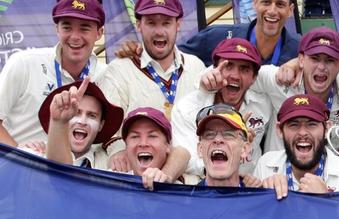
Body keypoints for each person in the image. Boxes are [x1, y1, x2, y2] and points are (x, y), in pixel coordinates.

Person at [97, 0, 202, 180]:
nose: (159, 31)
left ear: (178, 24)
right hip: (140, 177)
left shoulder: (195, 67)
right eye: (151, 23)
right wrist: (118, 150)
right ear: (138, 24)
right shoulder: (119, 70)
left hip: (189, 179)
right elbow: (107, 128)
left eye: (166, 23)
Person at [0, 0, 105, 147]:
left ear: (99, 32)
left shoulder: (106, 74)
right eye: (67, 27)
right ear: (57, 29)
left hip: (74, 168)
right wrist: (21, 155)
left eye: (84, 28)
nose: (75, 37)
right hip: (19, 164)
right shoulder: (24, 63)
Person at [243, 26, 339, 152]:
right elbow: (237, 77)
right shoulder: (281, 80)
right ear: (301, 59)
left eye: (329, 60)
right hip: (279, 170)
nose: (321, 67)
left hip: (333, 170)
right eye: (315, 58)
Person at [172, 38, 270, 176]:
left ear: (254, 78)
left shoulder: (263, 105)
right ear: (214, 70)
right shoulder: (188, 108)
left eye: (244, 69)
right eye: (228, 66)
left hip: (250, 189)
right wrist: (234, 153)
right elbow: (187, 161)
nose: (235, 76)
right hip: (204, 189)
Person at [117, 0, 301, 67]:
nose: (272, 10)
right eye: (266, 2)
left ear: (291, 9)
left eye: (280, 4)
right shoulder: (216, 37)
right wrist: (140, 50)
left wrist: (297, 63)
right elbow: (171, 57)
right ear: (255, 4)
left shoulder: (299, 48)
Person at [253, 94, 339, 198]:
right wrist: (267, 197)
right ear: (279, 130)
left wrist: (325, 199)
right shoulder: (265, 165)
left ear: (327, 129)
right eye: (294, 125)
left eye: (311, 124)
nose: (302, 133)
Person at [38, 78, 123, 170]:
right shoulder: (37, 154)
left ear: (100, 125)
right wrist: (60, 122)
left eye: (92, 115)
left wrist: (119, 148)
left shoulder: (110, 166)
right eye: (76, 113)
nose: (82, 122)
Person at [121, 107, 196, 189]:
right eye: (135, 137)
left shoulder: (186, 192)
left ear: (167, 146)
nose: (143, 143)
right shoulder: (112, 185)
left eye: (152, 136)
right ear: (126, 146)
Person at [194, 104, 260, 187]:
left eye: (228, 134)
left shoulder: (256, 198)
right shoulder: (186, 198)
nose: (218, 140)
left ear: (244, 149)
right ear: (200, 149)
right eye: (209, 134)